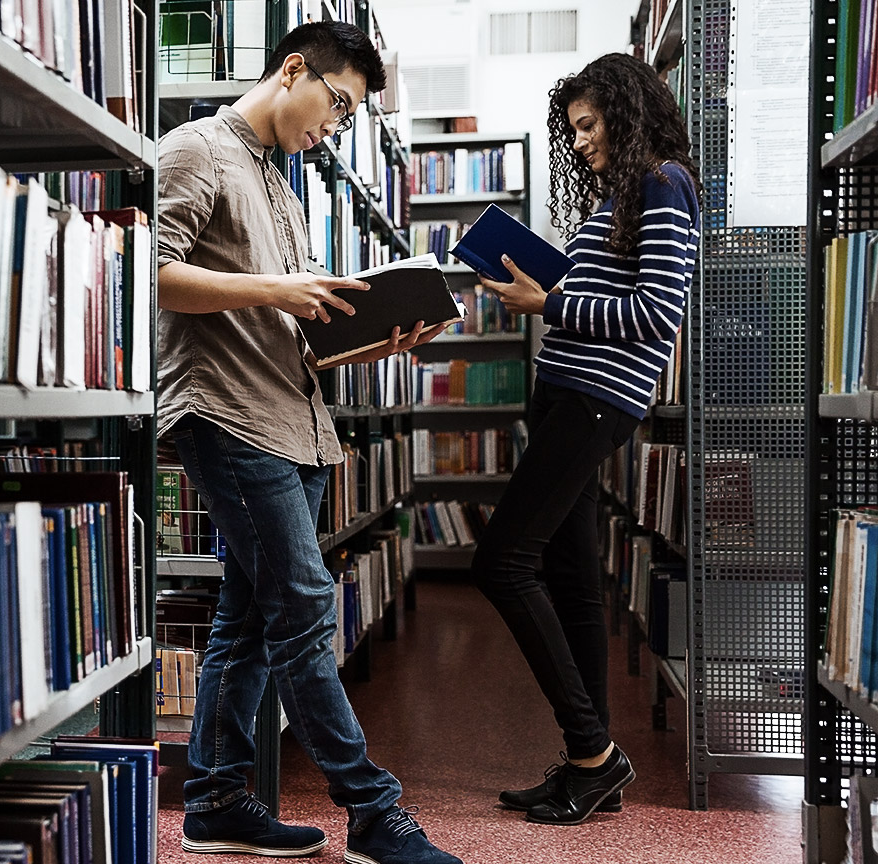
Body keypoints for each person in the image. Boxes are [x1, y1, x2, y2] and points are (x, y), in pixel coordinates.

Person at [157, 21, 459, 864]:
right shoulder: (195, 150)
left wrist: (376, 336)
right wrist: (277, 288)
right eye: (338, 103)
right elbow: (152, 273)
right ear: (294, 71)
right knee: (300, 610)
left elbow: (289, 321)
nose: (335, 125)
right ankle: (372, 809)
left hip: (298, 420)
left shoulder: (285, 187)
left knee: (247, 621)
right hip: (227, 414)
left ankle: (215, 801)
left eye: (350, 116)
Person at [474, 52, 702, 826]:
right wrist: (544, 285)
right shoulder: (622, 197)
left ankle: (596, 752)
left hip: (597, 400)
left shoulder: (666, 184)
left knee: (501, 560)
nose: (579, 143)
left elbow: (653, 318)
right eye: (571, 130)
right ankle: (587, 763)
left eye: (588, 125)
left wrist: (552, 303)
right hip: (565, 393)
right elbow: (594, 293)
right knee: (570, 575)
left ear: (625, 111)